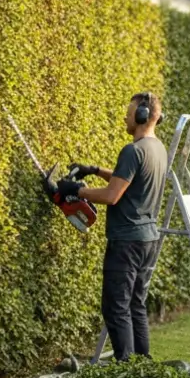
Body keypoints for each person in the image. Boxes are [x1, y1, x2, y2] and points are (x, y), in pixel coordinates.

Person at [56, 92, 168, 361]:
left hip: (127, 241)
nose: (125, 117)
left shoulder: (133, 150)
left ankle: (126, 368)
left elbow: (111, 195)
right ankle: (143, 365)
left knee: (116, 308)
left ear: (142, 116)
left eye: (129, 113)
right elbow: (128, 179)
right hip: (148, 239)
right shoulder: (158, 149)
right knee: (136, 305)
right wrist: (94, 170)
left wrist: (76, 191)